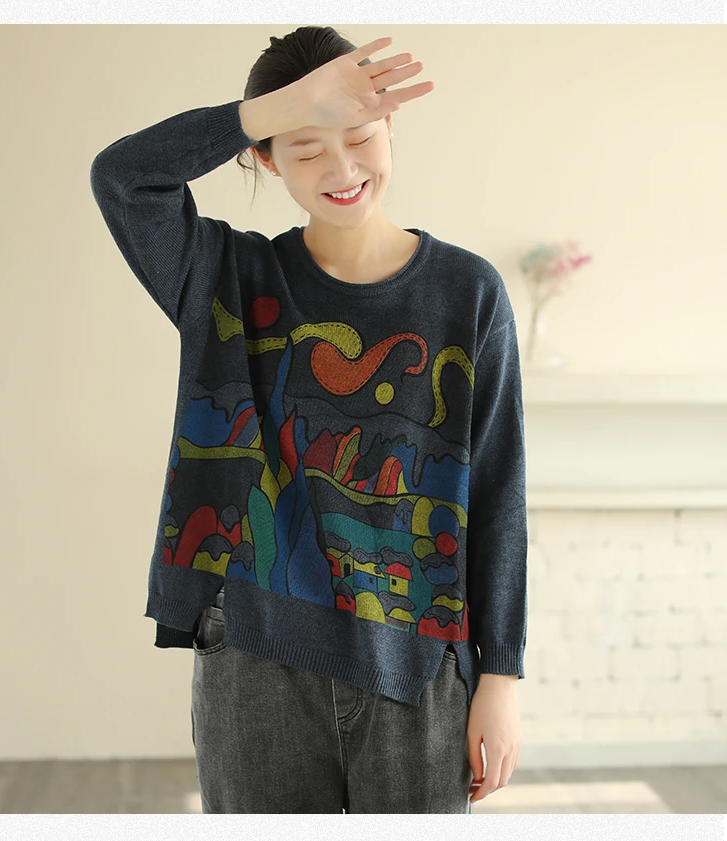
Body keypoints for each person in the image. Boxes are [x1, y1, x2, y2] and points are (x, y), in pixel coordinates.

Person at [90, 25, 526, 814]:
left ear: (390, 124)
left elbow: (498, 492)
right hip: (254, 662)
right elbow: (123, 178)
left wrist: (501, 675)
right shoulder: (227, 278)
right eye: (305, 146)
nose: (343, 169)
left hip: (418, 666)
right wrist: (276, 107)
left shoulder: (468, 293)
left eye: (358, 136)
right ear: (265, 157)